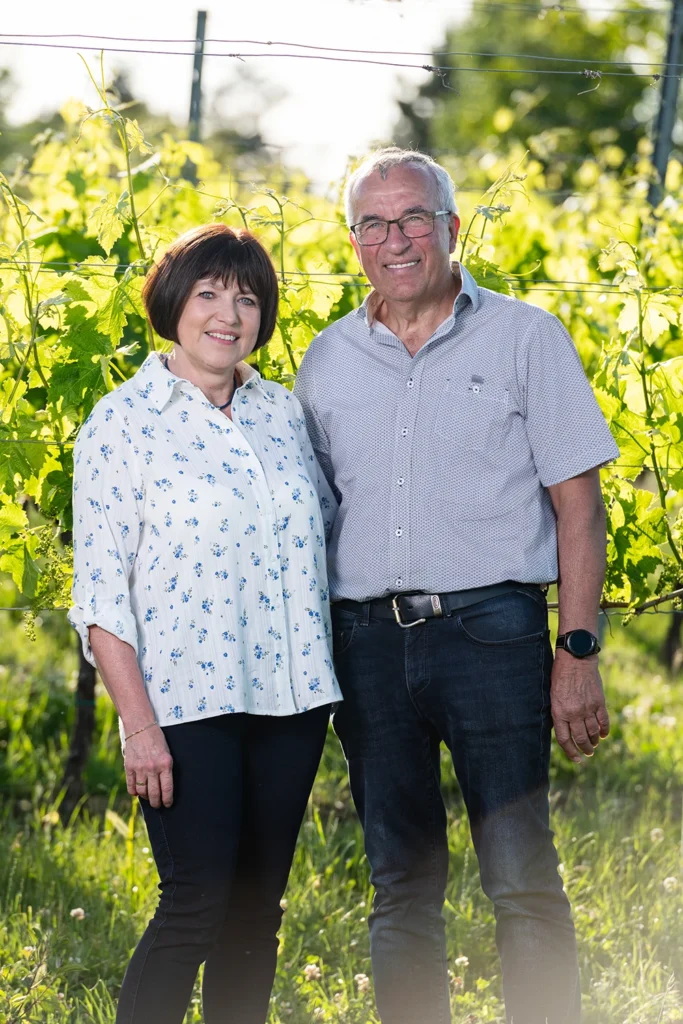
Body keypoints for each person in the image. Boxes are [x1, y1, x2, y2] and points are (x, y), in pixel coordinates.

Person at [294, 147, 618, 1024]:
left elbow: (579, 510)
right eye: (374, 223)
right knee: (399, 885)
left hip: (494, 636)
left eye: (412, 218)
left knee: (520, 878)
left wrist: (576, 649)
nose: (395, 239)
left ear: (451, 227)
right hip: (365, 647)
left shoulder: (525, 336)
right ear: (353, 240)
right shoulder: (324, 363)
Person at [68, 223, 341, 1024]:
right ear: (173, 304)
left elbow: (320, 540)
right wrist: (138, 728)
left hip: (290, 701)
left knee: (258, 915)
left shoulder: (283, 414)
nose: (229, 314)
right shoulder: (122, 422)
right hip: (184, 704)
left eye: (247, 297)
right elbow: (101, 595)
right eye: (210, 293)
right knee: (196, 904)